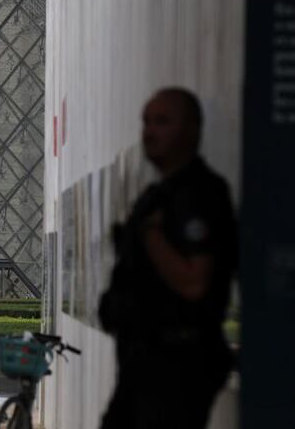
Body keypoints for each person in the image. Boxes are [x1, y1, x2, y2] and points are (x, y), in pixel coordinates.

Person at [99, 87, 237, 429]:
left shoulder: (200, 194)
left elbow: (194, 281)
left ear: (191, 130)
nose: (149, 131)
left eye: (162, 121)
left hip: (176, 365)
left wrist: (151, 236)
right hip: (148, 362)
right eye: (146, 121)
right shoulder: (161, 195)